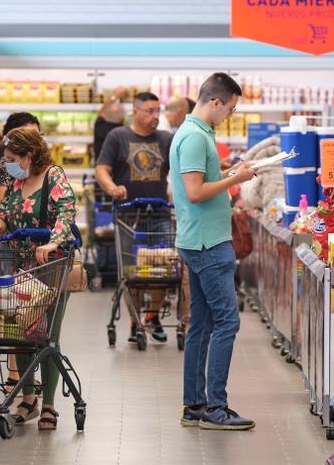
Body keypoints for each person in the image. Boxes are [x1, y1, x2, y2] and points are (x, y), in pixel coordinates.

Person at [170, 72, 257, 431]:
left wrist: (226, 169)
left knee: (202, 325)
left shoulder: (199, 133)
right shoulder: (193, 137)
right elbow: (194, 192)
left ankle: (194, 405)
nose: (230, 115)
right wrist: (235, 180)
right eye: (231, 109)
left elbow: (202, 176)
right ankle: (215, 407)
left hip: (200, 240)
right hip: (207, 244)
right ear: (215, 102)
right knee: (227, 321)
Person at [0, 127, 77, 430]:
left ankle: (48, 405)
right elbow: (6, 216)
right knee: (20, 335)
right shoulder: (16, 181)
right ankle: (28, 399)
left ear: (29, 155)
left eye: (11, 159)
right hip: (19, 268)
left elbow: (66, 214)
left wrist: (52, 242)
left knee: (47, 337)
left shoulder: (54, 176)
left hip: (50, 267)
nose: (6, 164)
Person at [96, 92, 173, 344]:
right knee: (133, 273)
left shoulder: (166, 139)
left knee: (163, 270)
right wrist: (112, 188)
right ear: (135, 111)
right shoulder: (118, 136)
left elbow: (184, 169)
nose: (155, 116)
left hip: (160, 212)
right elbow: (102, 169)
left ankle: (151, 316)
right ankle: (135, 321)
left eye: (157, 110)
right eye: (149, 111)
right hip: (128, 215)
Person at [0, 112, 41, 211]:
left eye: (39, 136)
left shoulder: (40, 165)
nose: (38, 142)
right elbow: (2, 212)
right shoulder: (3, 168)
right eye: (31, 137)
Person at [93, 86, 127, 161]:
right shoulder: (117, 130)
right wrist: (115, 96)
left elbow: (101, 111)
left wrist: (114, 96)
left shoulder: (100, 124)